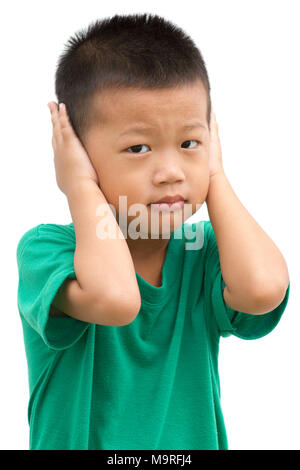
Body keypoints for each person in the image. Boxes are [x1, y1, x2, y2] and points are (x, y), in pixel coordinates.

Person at [16, 13, 290, 450]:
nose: (170, 172)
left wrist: (213, 175)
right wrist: (80, 187)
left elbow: (263, 288)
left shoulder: (204, 256)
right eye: (138, 147)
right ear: (78, 154)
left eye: (189, 144)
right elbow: (116, 299)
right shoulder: (46, 251)